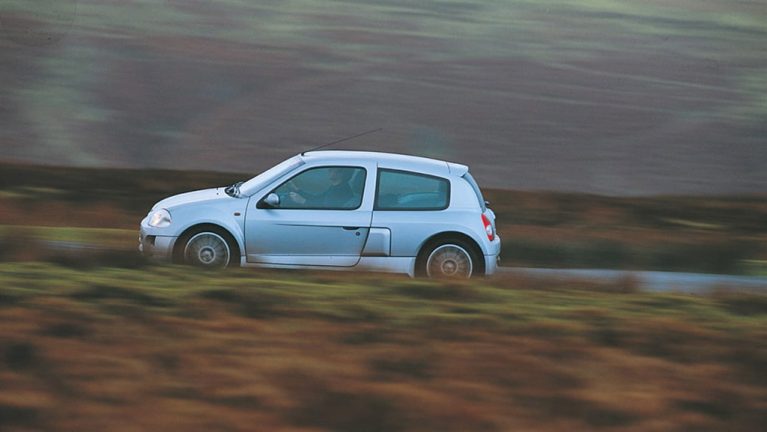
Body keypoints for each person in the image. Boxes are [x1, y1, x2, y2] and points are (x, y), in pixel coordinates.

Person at [288, 168, 354, 207]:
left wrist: (303, 201)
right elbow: (317, 198)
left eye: (332, 169)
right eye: (330, 169)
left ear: (341, 173)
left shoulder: (341, 191)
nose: (329, 171)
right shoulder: (336, 187)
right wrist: (297, 190)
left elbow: (325, 208)